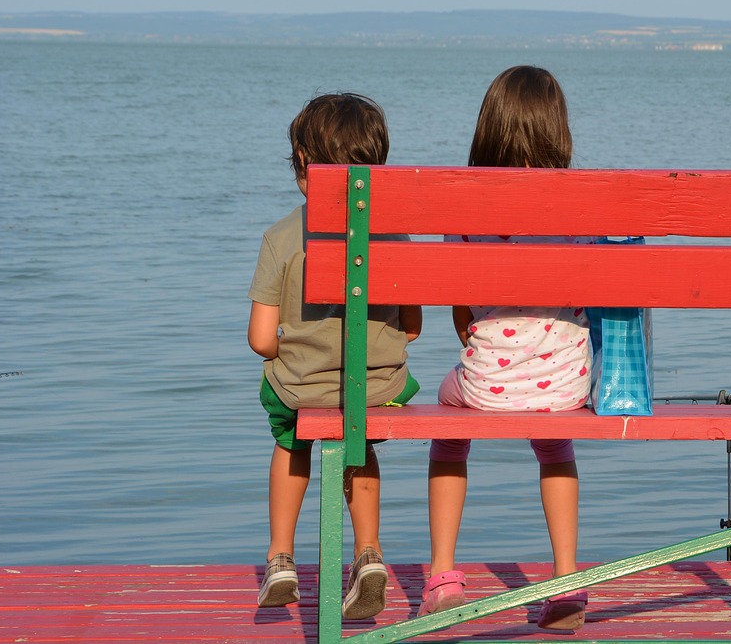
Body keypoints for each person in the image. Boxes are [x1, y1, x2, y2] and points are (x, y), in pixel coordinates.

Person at [419, 66, 592, 631]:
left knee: (449, 420)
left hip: (486, 382)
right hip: (566, 383)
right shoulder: (580, 204)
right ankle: (566, 580)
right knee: (555, 442)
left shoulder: (465, 206)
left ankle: (443, 577)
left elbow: (460, 311)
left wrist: (487, 347)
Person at [247, 92, 421, 619]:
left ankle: (281, 556)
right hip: (377, 388)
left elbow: (260, 339)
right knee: (356, 433)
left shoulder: (281, 237)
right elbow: (412, 328)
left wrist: (292, 351)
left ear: (303, 163)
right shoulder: (396, 237)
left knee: (290, 429)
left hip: (304, 385)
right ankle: (368, 551)